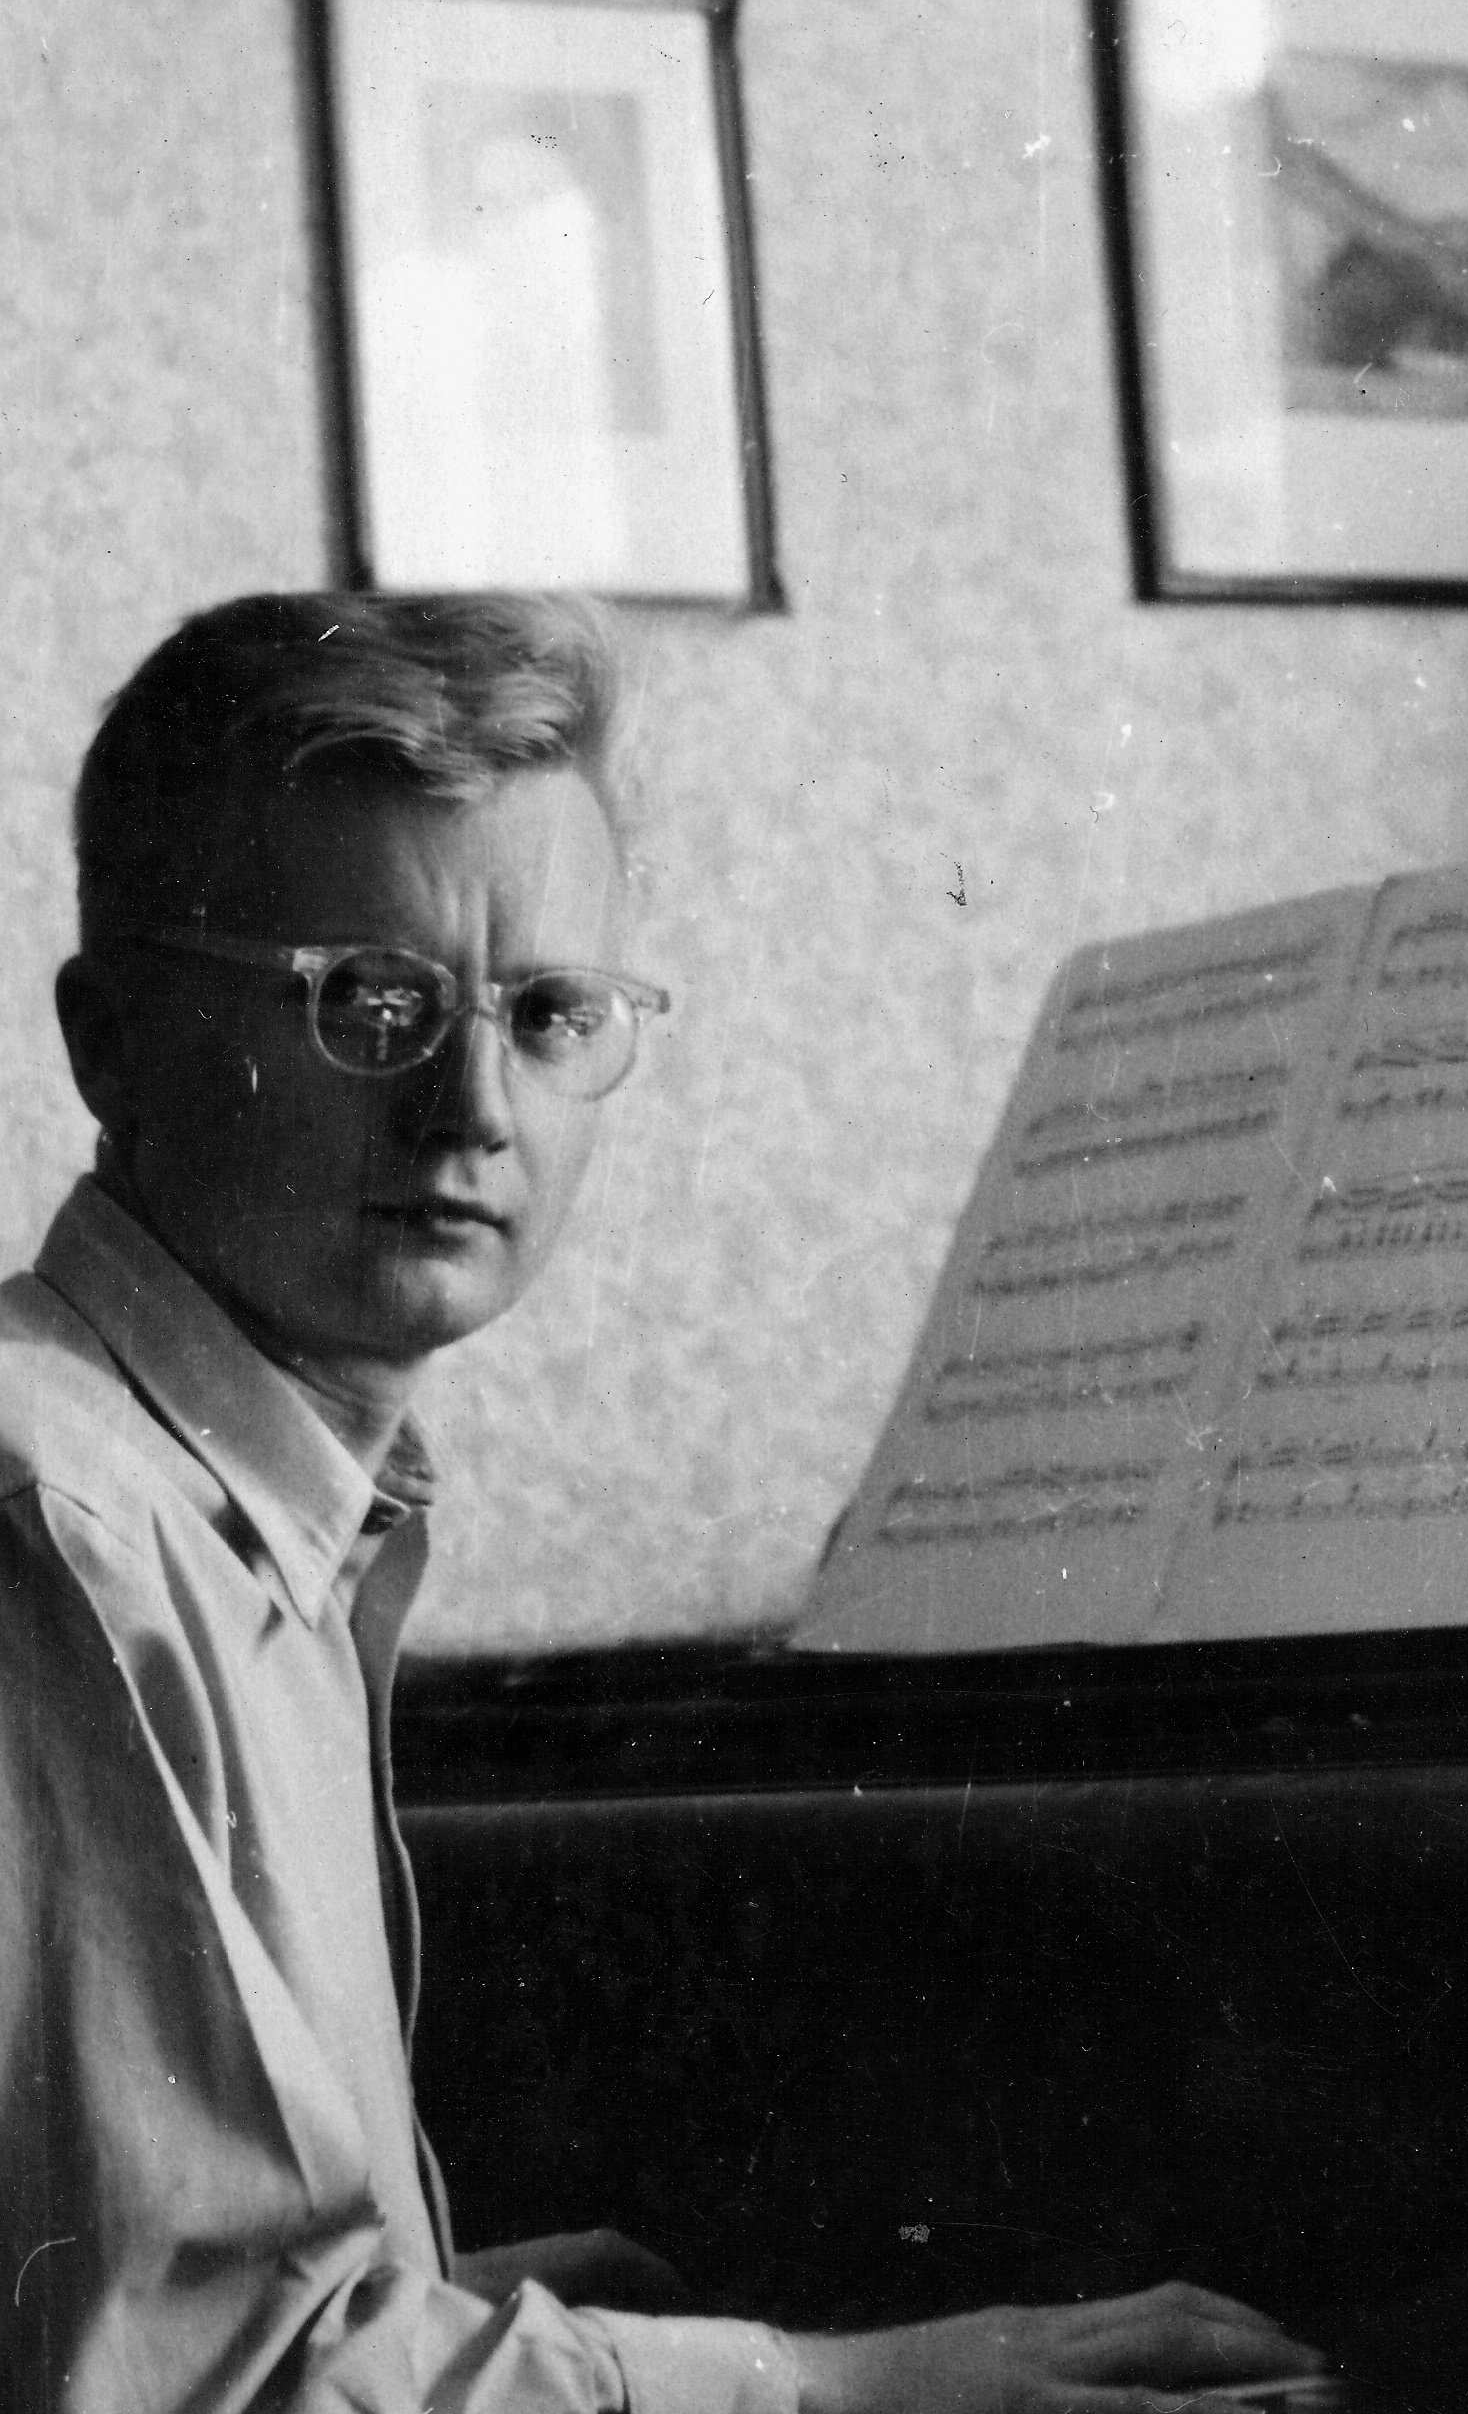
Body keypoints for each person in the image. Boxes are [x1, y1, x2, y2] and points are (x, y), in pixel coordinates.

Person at [0, 593, 1323, 2412]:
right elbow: (205, 2380)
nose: (474, 1107)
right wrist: (840, 2385)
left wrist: (552, 2314)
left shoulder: (221, 1494)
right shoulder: (62, 1529)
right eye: (371, 1003)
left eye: (551, 1014)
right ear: (112, 1039)